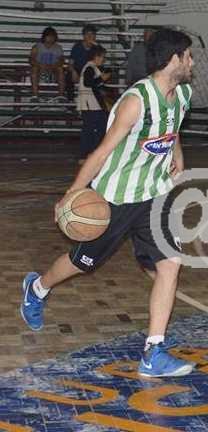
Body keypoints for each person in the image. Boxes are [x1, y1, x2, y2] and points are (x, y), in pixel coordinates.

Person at [20, 29, 196, 378]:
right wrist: (72, 193)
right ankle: (37, 288)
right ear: (173, 59)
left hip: (155, 195)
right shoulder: (136, 101)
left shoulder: (183, 93)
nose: (192, 62)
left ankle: (153, 351)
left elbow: (172, 128)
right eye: (188, 56)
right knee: (82, 263)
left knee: (170, 264)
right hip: (115, 197)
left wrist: (178, 154)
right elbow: (101, 153)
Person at [77, 45, 112, 162]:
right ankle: (85, 155)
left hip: (93, 104)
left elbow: (96, 85)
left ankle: (91, 153)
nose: (103, 59)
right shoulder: (90, 68)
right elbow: (88, 83)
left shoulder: (93, 68)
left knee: (97, 128)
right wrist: (102, 79)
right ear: (95, 56)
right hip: (89, 104)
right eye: (102, 57)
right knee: (90, 129)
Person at [29, 27, 66, 102]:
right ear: (44, 37)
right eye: (48, 36)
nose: (50, 38)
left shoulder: (58, 47)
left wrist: (53, 66)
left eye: (52, 36)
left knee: (60, 69)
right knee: (34, 69)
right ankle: (35, 95)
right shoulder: (37, 47)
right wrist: (40, 65)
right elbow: (31, 60)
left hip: (54, 70)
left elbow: (62, 61)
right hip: (40, 69)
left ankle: (61, 95)